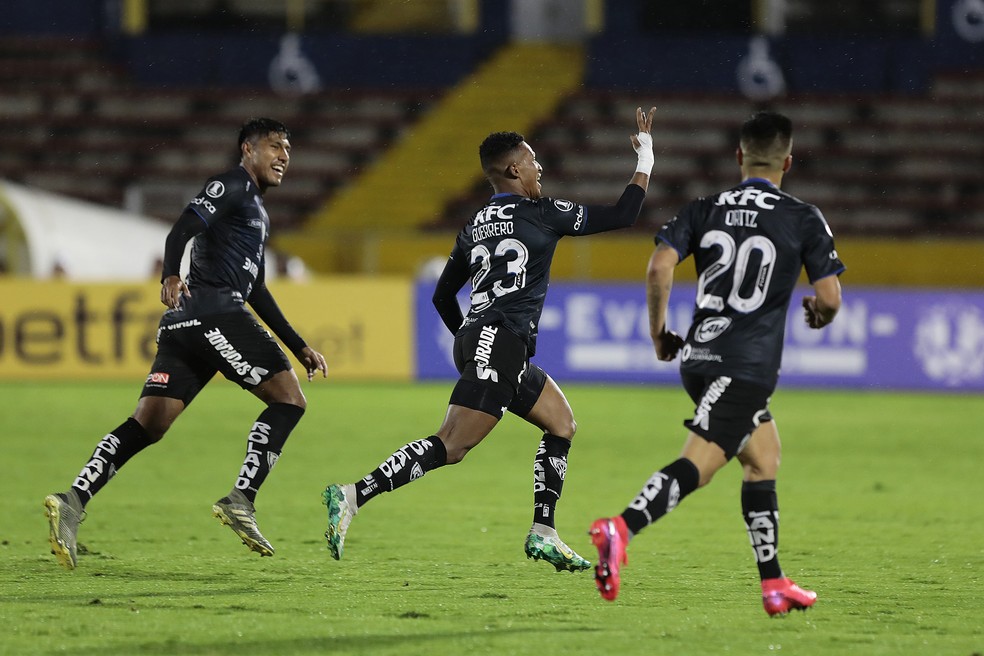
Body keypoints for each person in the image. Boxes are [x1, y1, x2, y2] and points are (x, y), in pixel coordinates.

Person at [321, 107, 658, 572]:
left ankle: (544, 532)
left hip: (486, 339)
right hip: (497, 342)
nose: (540, 168)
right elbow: (625, 212)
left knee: (561, 424)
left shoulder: (474, 224)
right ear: (514, 169)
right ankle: (352, 495)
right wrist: (646, 157)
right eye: (533, 160)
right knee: (452, 445)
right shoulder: (543, 213)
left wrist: (469, 336)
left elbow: (442, 296)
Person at [589, 111, 845, 615]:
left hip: (699, 356)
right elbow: (830, 297)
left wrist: (659, 332)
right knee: (701, 466)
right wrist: (820, 312)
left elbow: (660, 265)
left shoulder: (704, 208)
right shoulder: (802, 216)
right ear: (787, 162)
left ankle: (774, 584)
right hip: (745, 365)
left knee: (762, 458)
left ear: (738, 157)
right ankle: (620, 529)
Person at [43, 118, 328, 570]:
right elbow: (181, 229)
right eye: (274, 146)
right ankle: (242, 499)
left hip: (185, 326)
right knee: (290, 400)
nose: (283, 156)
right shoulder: (231, 184)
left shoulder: (256, 210)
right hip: (213, 311)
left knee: (149, 423)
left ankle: (72, 501)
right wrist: (170, 273)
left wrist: (298, 345)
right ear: (247, 149)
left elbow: (256, 290)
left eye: (288, 149)